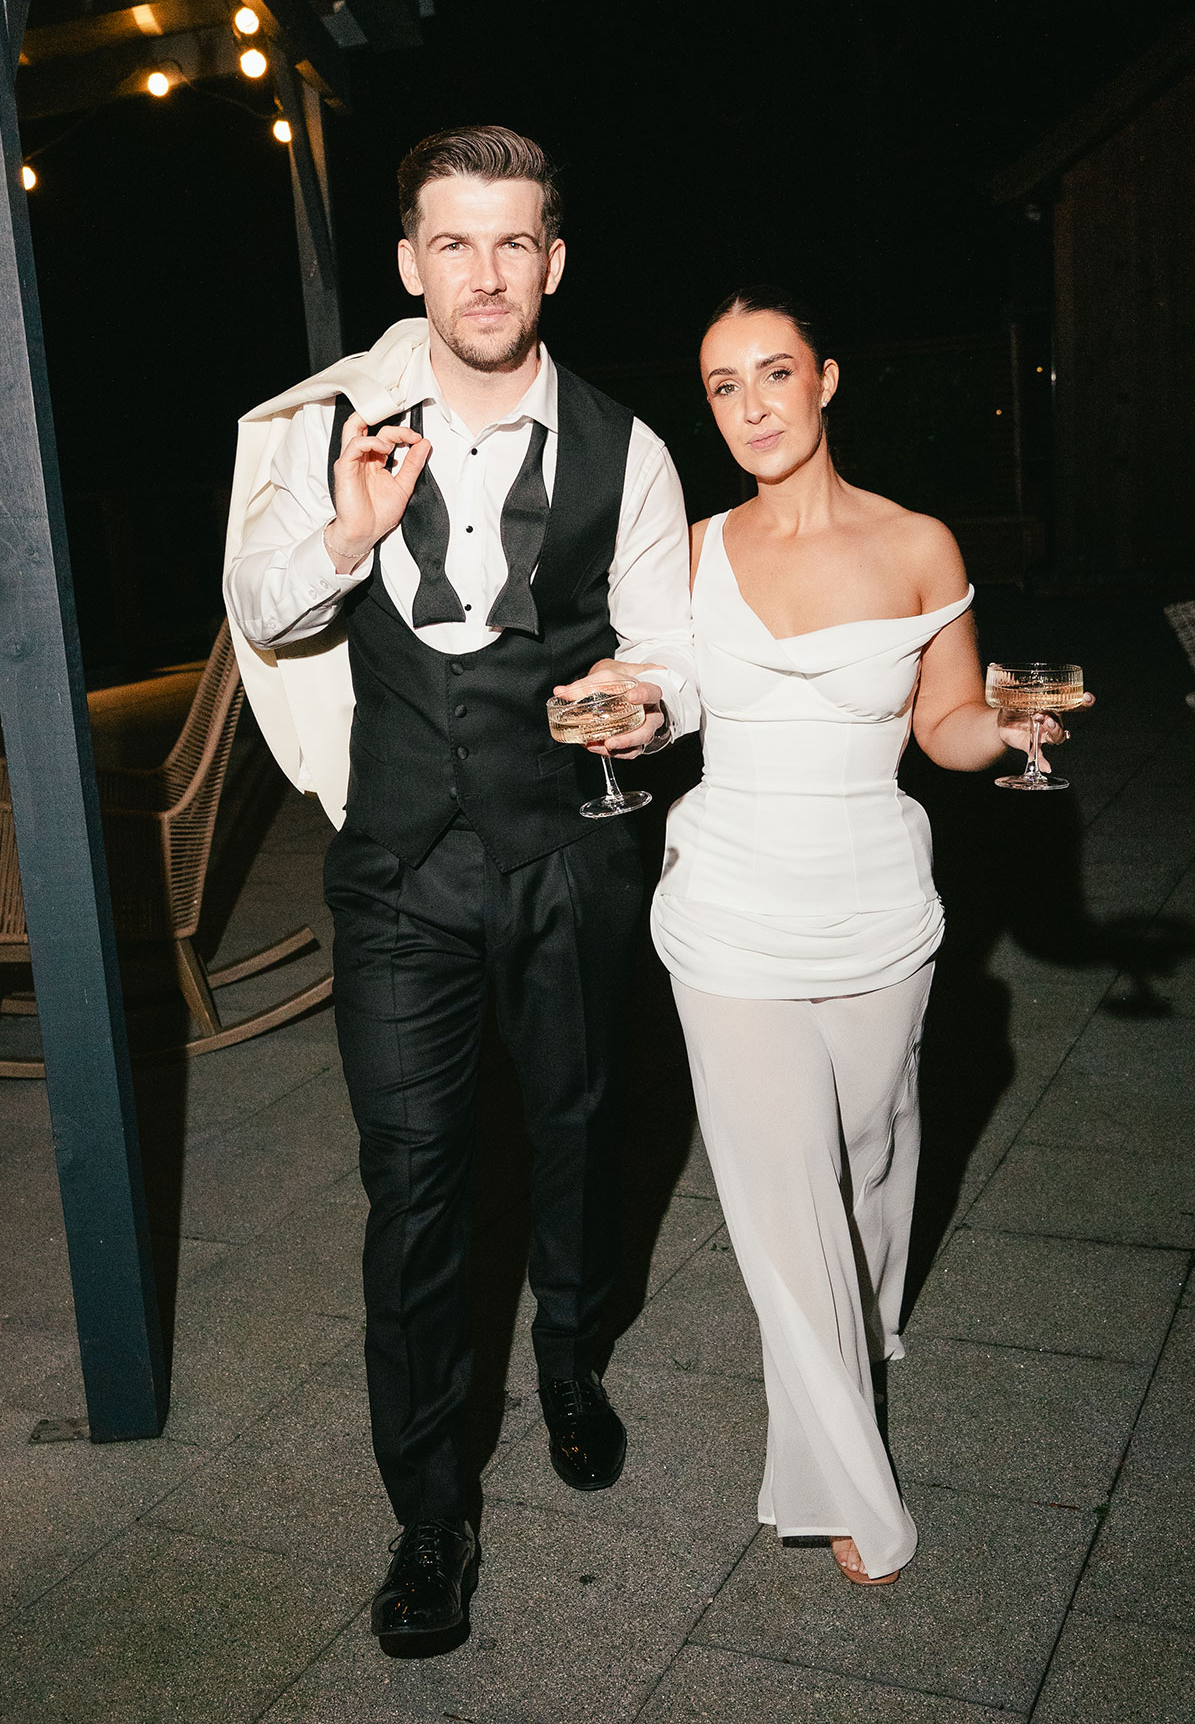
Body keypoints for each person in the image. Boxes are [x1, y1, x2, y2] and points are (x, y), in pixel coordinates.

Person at [223, 125, 697, 1649]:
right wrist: (347, 531)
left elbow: (673, 654)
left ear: (552, 261)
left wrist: (646, 701)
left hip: (569, 855)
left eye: (511, 244)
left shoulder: (628, 447)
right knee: (414, 1182)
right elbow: (256, 603)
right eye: (453, 243)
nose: (483, 274)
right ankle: (430, 1511)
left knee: (579, 1127)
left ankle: (569, 1354)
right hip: (397, 870)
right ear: (410, 263)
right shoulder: (334, 425)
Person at [625, 285, 1083, 1585]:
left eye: (774, 373)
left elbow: (945, 723)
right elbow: (660, 688)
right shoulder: (690, 551)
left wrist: (1010, 729)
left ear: (825, 380)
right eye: (723, 386)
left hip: (877, 904)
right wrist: (623, 704)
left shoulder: (918, 545)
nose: (752, 406)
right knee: (783, 1197)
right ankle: (848, 1488)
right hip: (726, 907)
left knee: (869, 1152)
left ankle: (869, 1320)